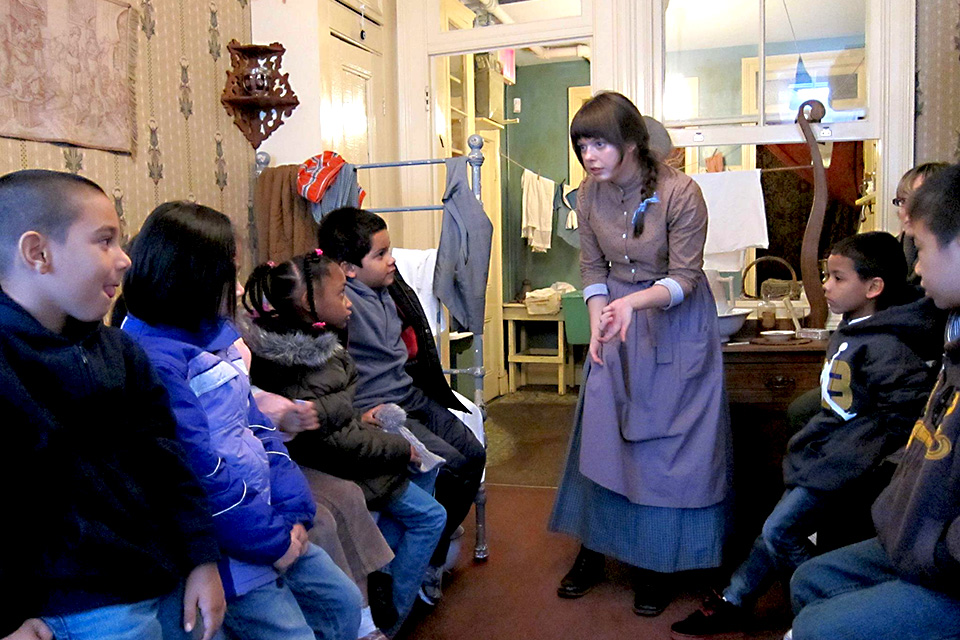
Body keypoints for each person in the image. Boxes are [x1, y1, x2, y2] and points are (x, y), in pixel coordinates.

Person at [671, 231, 943, 638]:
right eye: (826, 276)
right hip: (825, 455)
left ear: (873, 287)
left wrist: (863, 453)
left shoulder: (886, 345)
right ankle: (736, 599)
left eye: (837, 278)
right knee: (775, 527)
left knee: (779, 531)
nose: (827, 286)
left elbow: (907, 416)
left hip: (843, 464)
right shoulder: (856, 328)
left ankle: (826, 598)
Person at [119, 201, 363, 640]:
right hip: (231, 541)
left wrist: (294, 511)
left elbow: (259, 429)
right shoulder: (151, 360)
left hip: (267, 516)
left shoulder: (216, 337)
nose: (235, 290)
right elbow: (200, 474)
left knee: (343, 603)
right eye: (227, 272)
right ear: (191, 277)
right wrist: (272, 539)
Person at [0, 170, 225, 640]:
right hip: (82, 602)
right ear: (38, 253)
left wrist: (203, 557)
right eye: (105, 241)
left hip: (162, 576)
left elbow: (167, 461)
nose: (124, 260)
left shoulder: (121, 352)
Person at [548, 91, 732, 617]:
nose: (588, 155)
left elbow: (686, 276)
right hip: (618, 325)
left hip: (674, 324)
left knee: (668, 451)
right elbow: (590, 267)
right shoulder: (587, 194)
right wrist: (604, 313)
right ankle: (594, 553)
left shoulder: (682, 193)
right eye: (581, 145)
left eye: (599, 143)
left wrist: (635, 305)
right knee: (602, 438)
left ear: (631, 142)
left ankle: (658, 564)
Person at [786, 164, 960, 640]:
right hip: (918, 534)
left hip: (943, 562)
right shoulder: (952, 330)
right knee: (809, 579)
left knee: (816, 627)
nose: (917, 268)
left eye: (922, 250)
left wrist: (927, 548)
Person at [240, 252, 446, 635]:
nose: (349, 301)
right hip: (338, 463)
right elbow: (334, 438)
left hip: (344, 449)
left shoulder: (319, 346)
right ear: (308, 302)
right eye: (341, 293)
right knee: (432, 514)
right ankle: (390, 617)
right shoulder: (300, 363)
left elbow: (340, 411)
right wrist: (398, 447)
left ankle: (386, 580)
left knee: (428, 469)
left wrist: (369, 422)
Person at [316, 207, 486, 605]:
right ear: (348, 269)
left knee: (473, 454)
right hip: (382, 406)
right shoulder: (342, 307)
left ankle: (432, 553)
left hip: (410, 392)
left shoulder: (391, 286)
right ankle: (421, 562)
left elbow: (417, 340)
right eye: (380, 254)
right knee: (451, 467)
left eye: (388, 250)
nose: (391, 259)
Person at [894, 162, 948, 286]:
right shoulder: (888, 251)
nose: (907, 210)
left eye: (917, 202)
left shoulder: (951, 255)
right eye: (902, 201)